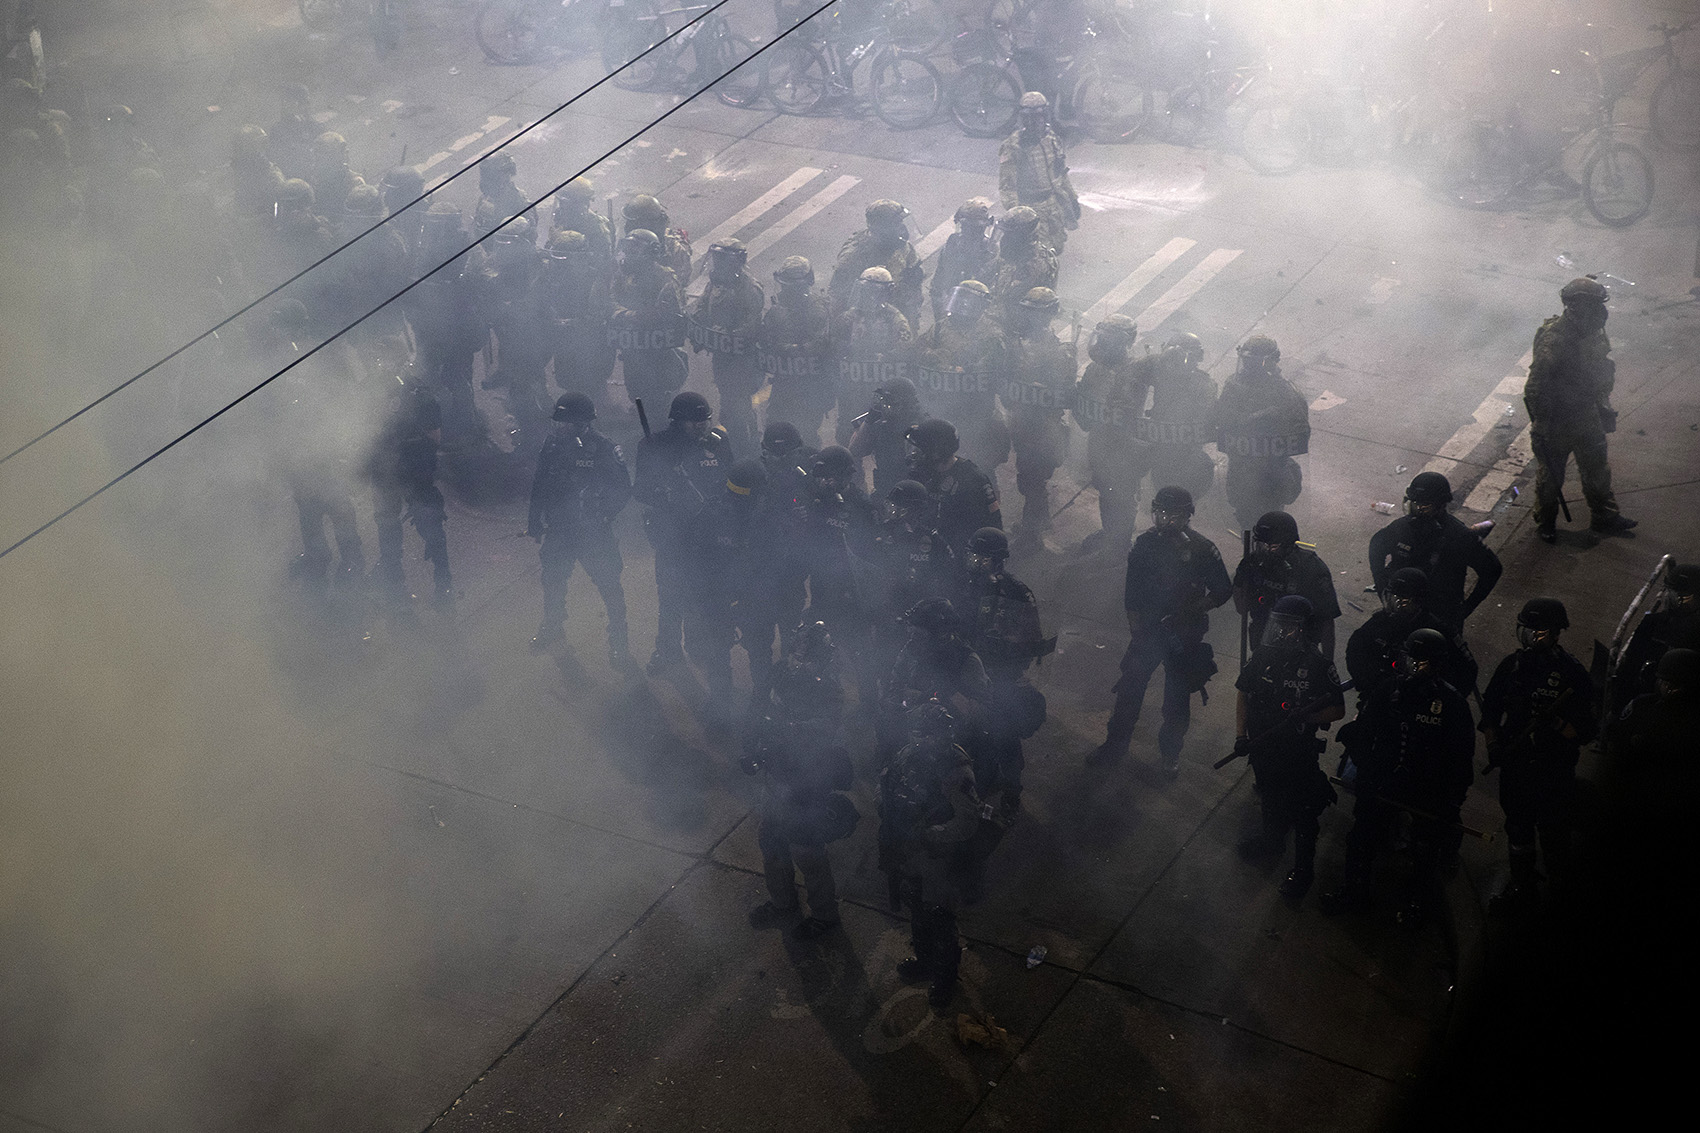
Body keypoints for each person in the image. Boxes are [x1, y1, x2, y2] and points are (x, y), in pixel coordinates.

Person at [1321, 628, 1475, 924]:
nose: (1415, 669)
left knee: (1425, 847)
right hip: (1385, 780)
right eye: (1411, 660)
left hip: (1427, 786)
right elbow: (1364, 734)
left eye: (1423, 663)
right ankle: (1354, 891)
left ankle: (1418, 902)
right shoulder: (1388, 691)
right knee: (1361, 838)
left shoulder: (1452, 704)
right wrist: (1366, 774)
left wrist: (1453, 802)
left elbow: (1460, 758)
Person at [1088, 486, 1232, 775]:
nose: (1166, 521)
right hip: (1150, 631)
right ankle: (1114, 747)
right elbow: (1132, 594)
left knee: (1176, 699)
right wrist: (1137, 632)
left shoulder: (1203, 549)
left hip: (1184, 634)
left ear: (1187, 516)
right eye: (1162, 514)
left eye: (1174, 515)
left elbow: (1223, 589)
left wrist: (1197, 607)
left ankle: (1170, 756)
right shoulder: (1145, 545)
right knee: (1129, 691)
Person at [1479, 598, 1597, 910]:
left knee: (1554, 833)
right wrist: (1494, 747)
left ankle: (1561, 892)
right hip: (1516, 768)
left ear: (1556, 633)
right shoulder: (1512, 667)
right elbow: (1490, 714)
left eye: (1538, 630)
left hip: (1552, 770)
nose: (1529, 636)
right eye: (1526, 629)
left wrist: (1556, 723)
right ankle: (1523, 887)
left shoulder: (1572, 675)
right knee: (1518, 830)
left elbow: (1585, 731)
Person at [1233, 595, 1347, 898]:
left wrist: (1308, 715)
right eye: (1279, 625)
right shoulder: (1263, 656)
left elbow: (1337, 709)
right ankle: (1271, 842)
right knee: (1270, 798)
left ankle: (1303, 871)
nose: (1283, 632)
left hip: (1297, 753)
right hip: (1263, 747)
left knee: (1304, 811)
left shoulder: (1319, 665)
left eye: (1290, 627)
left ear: (1305, 629)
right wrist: (1240, 736)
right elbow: (1243, 693)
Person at [746, 621, 853, 940]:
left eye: (807, 658)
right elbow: (757, 708)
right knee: (772, 841)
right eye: (795, 654)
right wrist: (750, 748)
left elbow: (825, 731)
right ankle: (783, 904)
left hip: (808, 780)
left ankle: (824, 916)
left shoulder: (829, 689)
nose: (798, 662)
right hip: (777, 773)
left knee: (807, 850)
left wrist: (790, 730)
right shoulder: (779, 672)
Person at [880, 699, 984, 1009]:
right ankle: (925, 962)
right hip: (909, 848)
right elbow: (885, 785)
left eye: (929, 734)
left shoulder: (955, 770)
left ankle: (944, 978)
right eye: (918, 733)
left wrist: (931, 835)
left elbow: (967, 821)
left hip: (936, 856)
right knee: (917, 910)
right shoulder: (909, 756)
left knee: (939, 918)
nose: (922, 740)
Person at [527, 393, 634, 669]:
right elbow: (539, 484)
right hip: (560, 531)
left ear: (582, 423)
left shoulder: (604, 449)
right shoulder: (551, 445)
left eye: (565, 422)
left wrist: (603, 515)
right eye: (558, 422)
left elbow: (623, 490)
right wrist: (534, 521)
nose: (559, 427)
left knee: (610, 587)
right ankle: (552, 628)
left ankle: (619, 644)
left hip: (593, 535)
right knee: (552, 583)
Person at [1526, 276, 1636, 542]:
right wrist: (1540, 422)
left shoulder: (1592, 330)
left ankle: (1604, 516)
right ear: (1576, 306)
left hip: (1586, 413)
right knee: (1551, 477)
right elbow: (1536, 385)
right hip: (1558, 419)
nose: (1601, 311)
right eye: (1594, 305)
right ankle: (1547, 523)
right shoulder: (1555, 338)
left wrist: (1602, 403)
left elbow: (1600, 368)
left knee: (1597, 469)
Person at [634, 392, 732, 673]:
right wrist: (664, 493)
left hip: (708, 534)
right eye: (693, 421)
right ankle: (667, 651)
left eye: (705, 420)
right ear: (677, 421)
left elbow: (731, 481)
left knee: (702, 594)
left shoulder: (719, 443)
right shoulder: (654, 446)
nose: (701, 426)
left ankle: (698, 645)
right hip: (672, 534)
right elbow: (639, 490)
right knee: (670, 596)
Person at [960, 527, 1053, 816]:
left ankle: (1012, 789)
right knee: (972, 734)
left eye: (983, 559)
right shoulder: (964, 585)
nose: (975, 563)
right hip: (972, 672)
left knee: (1005, 736)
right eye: (973, 556)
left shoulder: (1016, 593)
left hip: (1003, 676)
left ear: (998, 560)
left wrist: (1013, 667)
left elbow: (1031, 639)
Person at [685, 459, 769, 727]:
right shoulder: (713, 514)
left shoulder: (765, 514)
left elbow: (777, 558)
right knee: (718, 650)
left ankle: (762, 700)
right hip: (718, 595)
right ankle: (721, 702)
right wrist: (709, 599)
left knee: (758, 649)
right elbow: (697, 560)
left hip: (754, 594)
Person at [1367, 471, 1502, 632]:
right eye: (1414, 503)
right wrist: (1382, 588)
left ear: (1441, 505)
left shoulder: (1458, 536)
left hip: (1440, 615)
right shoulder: (1401, 528)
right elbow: (1376, 548)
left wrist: (1465, 609)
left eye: (1425, 506)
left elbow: (1492, 570)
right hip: (1401, 610)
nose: (1418, 509)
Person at [742, 422, 817, 694]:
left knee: (791, 635)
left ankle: (789, 691)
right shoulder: (752, 473)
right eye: (775, 456)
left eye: (787, 455)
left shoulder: (811, 470)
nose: (781, 461)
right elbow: (738, 518)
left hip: (792, 572)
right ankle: (762, 692)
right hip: (759, 573)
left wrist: (810, 514)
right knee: (759, 640)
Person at [367, 382, 452, 613]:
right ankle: (395, 583)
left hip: (413, 474)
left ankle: (443, 587)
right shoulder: (369, 394)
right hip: (388, 474)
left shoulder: (422, 401)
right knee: (389, 527)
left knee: (429, 528)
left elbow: (434, 439)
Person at [1003, 286, 1076, 547]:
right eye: (1029, 311)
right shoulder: (1018, 344)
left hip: (1044, 428)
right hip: (1023, 423)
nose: (1032, 317)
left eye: (1038, 312)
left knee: (1032, 479)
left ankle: (1031, 537)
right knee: (1030, 477)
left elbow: (1065, 394)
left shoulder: (1059, 352)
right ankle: (1039, 520)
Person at [1213, 335, 1309, 532]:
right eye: (1246, 360)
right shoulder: (1234, 385)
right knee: (1244, 516)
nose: (1249, 366)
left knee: (1270, 518)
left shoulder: (1284, 391)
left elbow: (1300, 429)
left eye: (1255, 362)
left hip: (1271, 469)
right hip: (1242, 466)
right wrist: (1247, 421)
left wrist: (1275, 422)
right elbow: (1221, 417)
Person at [1072, 314, 1150, 554]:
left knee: (1122, 493)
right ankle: (1111, 532)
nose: (1102, 345)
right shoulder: (1097, 368)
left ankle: (1119, 542)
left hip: (1124, 446)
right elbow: (1083, 400)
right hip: (1101, 440)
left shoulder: (1136, 372)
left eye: (1109, 340)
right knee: (1106, 488)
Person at [1346, 567, 1478, 706]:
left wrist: (1444, 703)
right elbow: (1354, 650)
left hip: (1421, 705)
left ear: (1419, 601)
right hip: (1381, 700)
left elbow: (1468, 668)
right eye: (1393, 599)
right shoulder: (1379, 623)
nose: (1396, 606)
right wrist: (1370, 685)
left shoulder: (1438, 631)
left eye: (1404, 602)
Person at [921, 279, 1010, 474]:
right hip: (943, 407)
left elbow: (987, 369)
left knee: (979, 470)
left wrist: (950, 367)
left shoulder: (991, 334)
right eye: (959, 297)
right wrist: (936, 358)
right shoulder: (940, 327)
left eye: (968, 300)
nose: (961, 304)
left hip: (975, 412)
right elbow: (920, 351)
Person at [870, 479, 960, 668]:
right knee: (884, 664)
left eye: (898, 508)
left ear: (914, 511)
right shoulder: (879, 535)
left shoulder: (931, 541)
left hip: (921, 620)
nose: (892, 512)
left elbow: (950, 576)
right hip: (886, 613)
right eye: (891, 507)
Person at [1232, 510, 1342, 660]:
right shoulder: (1252, 563)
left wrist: (1328, 662)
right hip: (1262, 646)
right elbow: (1241, 606)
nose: (1265, 550)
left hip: (1301, 651)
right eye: (1262, 544)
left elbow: (1327, 621)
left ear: (1287, 544)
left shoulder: (1311, 568)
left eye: (1272, 546)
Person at [690, 238, 766, 455]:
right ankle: (743, 448)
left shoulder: (749, 289)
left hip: (742, 361)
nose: (718, 263)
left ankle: (746, 452)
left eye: (724, 259)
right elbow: (702, 307)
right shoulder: (717, 283)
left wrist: (727, 335)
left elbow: (751, 327)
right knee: (731, 406)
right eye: (717, 258)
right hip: (723, 357)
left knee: (736, 409)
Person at [834, 265, 915, 445]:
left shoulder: (894, 318)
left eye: (871, 292)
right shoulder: (849, 317)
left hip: (880, 389)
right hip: (853, 387)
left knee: (884, 437)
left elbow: (905, 350)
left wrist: (883, 358)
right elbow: (833, 344)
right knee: (846, 435)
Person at [539, 231, 616, 416]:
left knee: (592, 384)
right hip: (566, 341)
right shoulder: (554, 278)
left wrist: (570, 324)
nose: (559, 265)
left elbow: (600, 317)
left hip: (592, 344)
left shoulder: (595, 282)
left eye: (564, 260)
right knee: (568, 380)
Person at [759, 255, 834, 443]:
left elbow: (820, 346)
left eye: (792, 288)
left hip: (810, 386)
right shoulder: (777, 311)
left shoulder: (817, 311)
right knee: (774, 430)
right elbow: (766, 339)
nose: (785, 292)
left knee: (806, 435)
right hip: (784, 383)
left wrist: (790, 349)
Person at [610, 227, 686, 410]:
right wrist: (626, 314)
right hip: (633, 345)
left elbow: (670, 312)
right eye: (627, 248)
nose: (628, 254)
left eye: (634, 249)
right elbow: (610, 299)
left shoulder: (665, 276)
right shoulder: (623, 274)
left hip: (657, 346)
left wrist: (632, 316)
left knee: (659, 393)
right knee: (635, 391)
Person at [905, 417, 1001, 559]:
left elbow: (992, 529)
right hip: (925, 551)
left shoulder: (972, 480)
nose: (914, 455)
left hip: (956, 558)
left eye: (920, 450)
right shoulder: (920, 475)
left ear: (936, 453)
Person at [998, 92, 1080, 256]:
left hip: (1052, 203)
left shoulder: (1052, 139)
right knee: (1040, 253)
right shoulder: (1013, 147)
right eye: (1029, 118)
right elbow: (1007, 187)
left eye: (1039, 117)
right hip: (1031, 208)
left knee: (1057, 247)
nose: (1035, 122)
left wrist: (1072, 197)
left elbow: (1061, 173)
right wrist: (1017, 215)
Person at [1144, 332, 1219, 503]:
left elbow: (1205, 420)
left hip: (1185, 454)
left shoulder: (1203, 384)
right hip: (1162, 449)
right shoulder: (1163, 376)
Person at [828, 198, 924, 326]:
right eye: (897, 223)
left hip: (897, 313)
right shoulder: (854, 256)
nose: (902, 227)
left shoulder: (900, 245)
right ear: (884, 228)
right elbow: (838, 297)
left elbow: (914, 272)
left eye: (901, 221)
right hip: (866, 320)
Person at [1613, 563, 1700, 703]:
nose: (1671, 597)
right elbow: (1629, 666)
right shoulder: (1652, 623)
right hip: (1641, 698)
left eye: (1680, 593)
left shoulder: (1694, 635)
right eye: (1670, 590)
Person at [848, 376, 923, 499]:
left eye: (889, 400)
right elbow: (855, 450)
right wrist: (869, 421)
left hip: (912, 493)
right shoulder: (881, 423)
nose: (884, 404)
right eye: (883, 399)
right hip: (885, 490)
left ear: (905, 402)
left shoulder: (920, 426)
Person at [930, 197, 998, 324]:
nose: (969, 233)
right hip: (949, 305)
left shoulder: (991, 251)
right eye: (966, 227)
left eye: (975, 229)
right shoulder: (952, 244)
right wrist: (940, 314)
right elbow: (938, 282)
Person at [987, 206, 1058, 320]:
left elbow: (1009, 301)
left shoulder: (1035, 265)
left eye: (1009, 235)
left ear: (1023, 237)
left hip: (1016, 325)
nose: (1005, 240)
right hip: (999, 315)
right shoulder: (1015, 255)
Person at [621, 192, 692, 282]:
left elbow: (681, 280)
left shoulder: (673, 248)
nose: (627, 225)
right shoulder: (632, 241)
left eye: (631, 222)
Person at [550, 176, 614, 273]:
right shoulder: (562, 215)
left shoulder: (596, 227)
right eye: (561, 202)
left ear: (581, 203)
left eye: (566, 203)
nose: (562, 206)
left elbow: (601, 263)